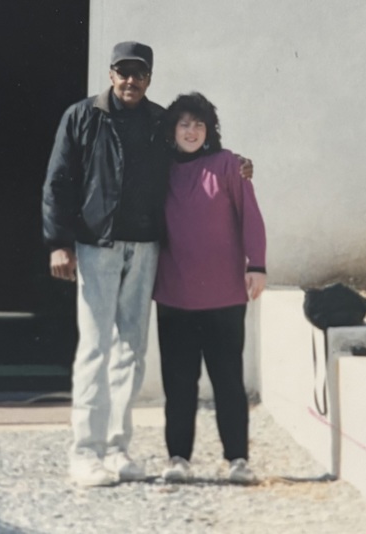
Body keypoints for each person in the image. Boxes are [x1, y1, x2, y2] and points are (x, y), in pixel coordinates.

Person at [42, 43, 251, 487]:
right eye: (123, 72)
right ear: (111, 73)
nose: (130, 81)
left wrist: (237, 164)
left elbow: (194, 153)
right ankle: (85, 453)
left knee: (131, 352)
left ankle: (117, 449)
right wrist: (59, 243)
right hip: (96, 247)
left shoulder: (159, 122)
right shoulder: (81, 117)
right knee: (95, 348)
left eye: (139, 74)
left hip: (146, 248)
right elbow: (58, 181)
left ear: (149, 78)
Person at [153, 92, 267, 485]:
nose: (191, 130)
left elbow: (251, 216)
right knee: (179, 385)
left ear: (209, 130)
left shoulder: (228, 166)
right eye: (184, 123)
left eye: (199, 124)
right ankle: (178, 458)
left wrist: (258, 265)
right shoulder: (160, 171)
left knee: (228, 382)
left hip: (224, 296)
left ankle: (237, 459)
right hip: (174, 296)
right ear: (172, 130)